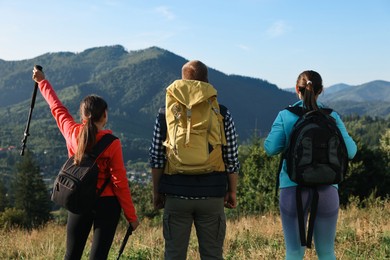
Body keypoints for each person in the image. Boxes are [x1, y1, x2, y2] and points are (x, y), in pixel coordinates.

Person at [32, 68, 139, 260]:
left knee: (71, 255)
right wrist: (131, 217)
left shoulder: (72, 133)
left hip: (79, 199)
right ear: (104, 115)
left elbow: (56, 107)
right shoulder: (113, 143)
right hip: (107, 203)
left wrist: (42, 82)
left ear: (83, 116)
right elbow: (120, 183)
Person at [149, 60, 240, 260]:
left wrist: (157, 192)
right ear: (206, 81)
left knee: (173, 255)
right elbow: (231, 157)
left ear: (182, 81)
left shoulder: (165, 114)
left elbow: (156, 158)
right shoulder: (222, 113)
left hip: (175, 193)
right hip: (212, 193)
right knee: (212, 255)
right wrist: (231, 191)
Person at [264, 70, 357, 259]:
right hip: (327, 190)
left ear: (296, 89)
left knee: (294, 251)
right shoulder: (332, 117)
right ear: (320, 90)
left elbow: (270, 148)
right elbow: (352, 151)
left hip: (292, 189)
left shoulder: (286, 115)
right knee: (326, 251)